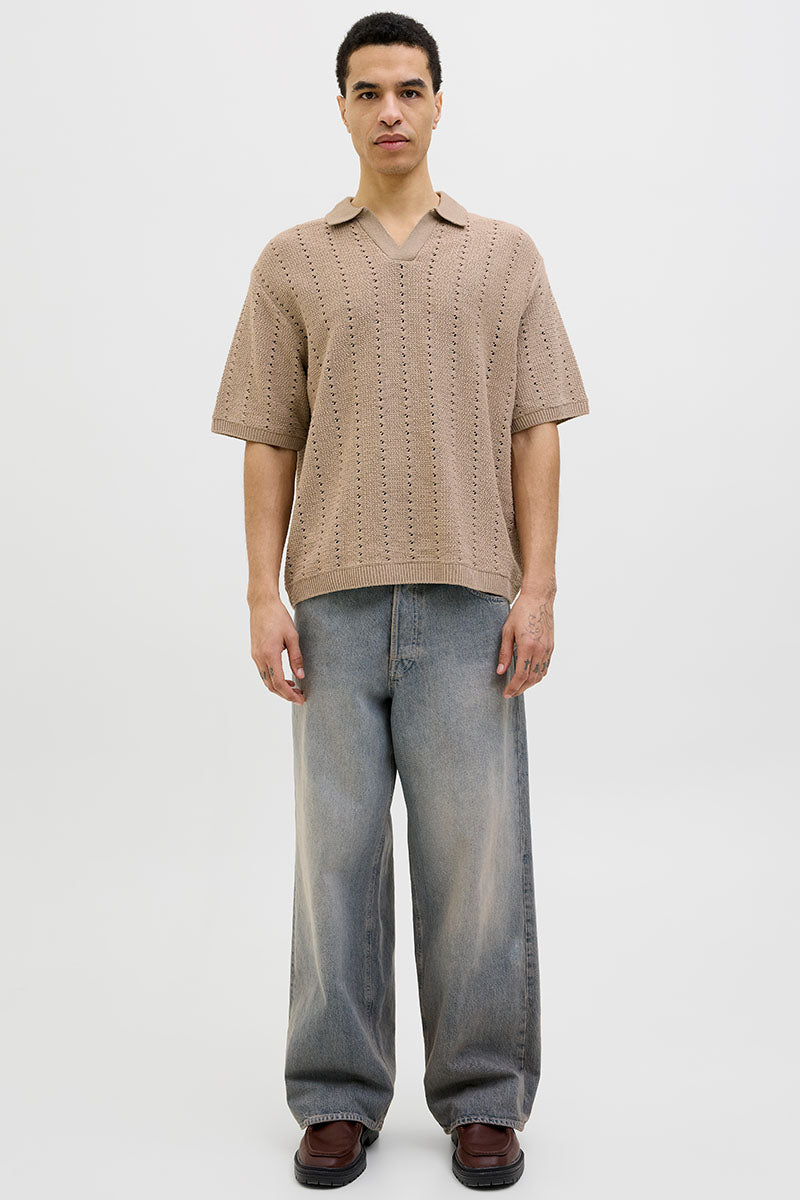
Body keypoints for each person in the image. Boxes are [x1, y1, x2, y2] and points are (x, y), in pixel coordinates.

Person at [211, 11, 590, 1190]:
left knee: (476, 863)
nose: (389, 110)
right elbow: (268, 435)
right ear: (339, 107)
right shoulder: (291, 262)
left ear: (437, 103)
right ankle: (335, 1098)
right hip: (328, 605)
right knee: (333, 863)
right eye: (367, 91)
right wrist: (260, 593)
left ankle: (482, 1099)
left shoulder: (504, 255)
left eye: (408, 89)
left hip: (469, 604)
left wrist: (536, 587)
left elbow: (535, 427)